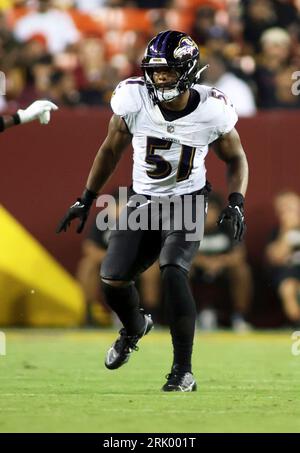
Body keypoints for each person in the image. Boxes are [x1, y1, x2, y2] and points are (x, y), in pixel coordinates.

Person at [57, 30, 249, 392]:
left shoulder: (212, 108)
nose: (160, 78)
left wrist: (237, 199)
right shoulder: (133, 99)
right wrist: (87, 196)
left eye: (168, 71)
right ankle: (134, 327)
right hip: (143, 201)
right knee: (112, 279)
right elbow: (110, 149)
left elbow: (236, 156)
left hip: (188, 200)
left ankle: (183, 371)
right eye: (155, 70)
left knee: (174, 271)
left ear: (189, 70)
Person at [191, 192, 252, 332]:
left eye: (210, 210)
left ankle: (239, 317)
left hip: (224, 269)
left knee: (242, 270)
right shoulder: (188, 227)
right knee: (180, 270)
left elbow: (239, 255)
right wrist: (204, 262)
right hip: (196, 269)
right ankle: (188, 317)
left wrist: (219, 262)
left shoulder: (230, 226)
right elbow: (179, 253)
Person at [265, 191, 300, 325]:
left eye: (290, 208)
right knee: (288, 288)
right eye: (282, 209)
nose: (287, 213)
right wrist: (286, 231)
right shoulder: (276, 233)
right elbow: (275, 258)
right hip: (288, 271)